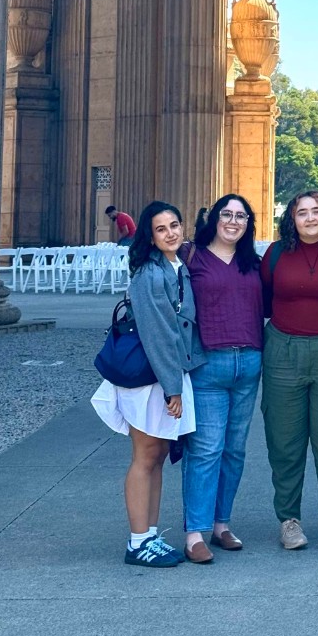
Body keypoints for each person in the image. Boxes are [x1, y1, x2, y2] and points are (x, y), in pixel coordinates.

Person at [91, 201, 205, 567]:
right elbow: (158, 334)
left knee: (156, 457)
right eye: (161, 228)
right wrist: (173, 388)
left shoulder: (176, 266)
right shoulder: (148, 274)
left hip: (166, 374)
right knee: (144, 457)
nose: (171, 232)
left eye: (175, 224)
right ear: (149, 236)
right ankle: (138, 541)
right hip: (149, 378)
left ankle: (150, 534)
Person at [260, 191, 318, 551]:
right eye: (302, 213)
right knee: (285, 442)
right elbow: (263, 298)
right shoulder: (276, 255)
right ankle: (289, 520)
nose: (311, 218)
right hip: (283, 350)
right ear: (292, 219)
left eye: (317, 211)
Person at [180, 193, 263, 564]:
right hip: (208, 363)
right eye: (227, 214)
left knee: (234, 450)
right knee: (206, 448)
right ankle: (194, 531)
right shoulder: (191, 257)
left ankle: (221, 523)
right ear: (214, 219)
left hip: (248, 362)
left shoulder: (254, 263)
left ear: (248, 224)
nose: (234, 221)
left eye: (241, 216)